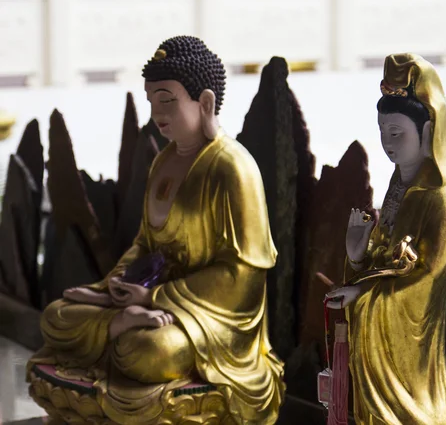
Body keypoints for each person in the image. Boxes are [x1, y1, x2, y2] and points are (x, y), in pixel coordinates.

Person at [28, 36, 285, 425]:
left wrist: (155, 298)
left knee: (149, 352)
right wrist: (110, 289)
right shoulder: (163, 160)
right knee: (56, 316)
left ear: (206, 103)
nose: (157, 114)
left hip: (208, 323)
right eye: (151, 103)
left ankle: (123, 333)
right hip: (146, 305)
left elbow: (243, 278)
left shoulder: (232, 167)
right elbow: (145, 246)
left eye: (167, 101)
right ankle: (120, 323)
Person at [325, 53, 446, 425]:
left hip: (410, 338)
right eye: (382, 132)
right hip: (376, 338)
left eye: (397, 133)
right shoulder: (397, 187)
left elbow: (424, 279)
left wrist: (362, 295)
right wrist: (357, 254)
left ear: (427, 132)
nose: (387, 143)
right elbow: (382, 262)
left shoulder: (440, 200)